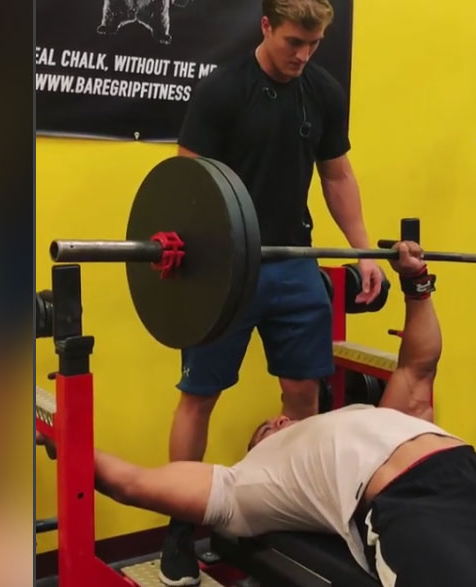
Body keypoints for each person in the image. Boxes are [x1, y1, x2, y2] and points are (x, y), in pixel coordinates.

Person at [38, 242, 476, 587]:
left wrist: (418, 285)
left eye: (275, 418)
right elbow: (135, 482)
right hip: (413, 507)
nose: (275, 421)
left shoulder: (375, 412)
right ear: (258, 444)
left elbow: (419, 364)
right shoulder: (246, 486)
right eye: (263, 428)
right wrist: (61, 435)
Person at [165, 0, 384, 582]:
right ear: (266, 27)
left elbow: (337, 174)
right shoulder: (223, 90)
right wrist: (197, 268)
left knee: (303, 394)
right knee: (199, 394)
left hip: (294, 261)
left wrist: (363, 250)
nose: (303, 55)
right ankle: (179, 529)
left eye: (313, 45)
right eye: (293, 42)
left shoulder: (323, 91)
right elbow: (187, 181)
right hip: (228, 269)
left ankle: (295, 513)